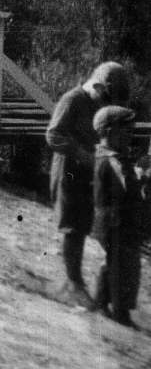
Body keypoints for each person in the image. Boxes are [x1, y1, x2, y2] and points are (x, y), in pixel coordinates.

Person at [46, 61, 131, 295]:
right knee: (72, 227)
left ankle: (75, 280)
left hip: (90, 173)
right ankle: (74, 282)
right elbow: (53, 135)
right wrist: (80, 153)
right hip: (68, 171)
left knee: (83, 225)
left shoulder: (103, 103)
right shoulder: (73, 100)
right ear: (98, 87)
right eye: (106, 99)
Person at [89, 104, 142, 329]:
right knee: (124, 266)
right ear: (109, 132)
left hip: (110, 219)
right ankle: (120, 311)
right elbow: (126, 187)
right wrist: (142, 177)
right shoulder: (111, 159)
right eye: (126, 132)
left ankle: (102, 302)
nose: (130, 137)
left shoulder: (106, 156)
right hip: (115, 220)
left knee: (112, 263)